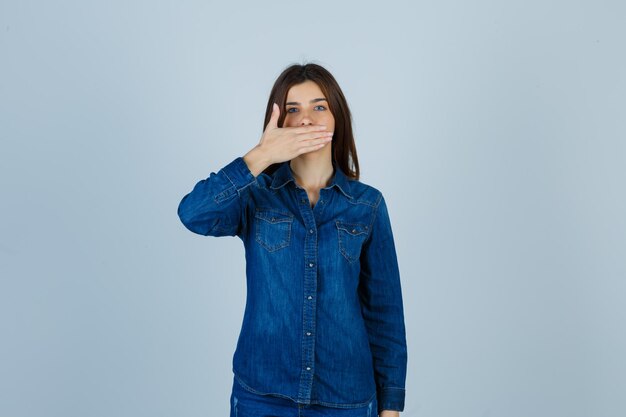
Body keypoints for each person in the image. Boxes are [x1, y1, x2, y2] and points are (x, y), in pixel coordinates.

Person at [177, 63, 407, 417]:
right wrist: (260, 155)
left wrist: (390, 407)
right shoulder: (256, 197)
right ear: (278, 122)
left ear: (336, 118)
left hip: (345, 400)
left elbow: (385, 313)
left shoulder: (368, 205)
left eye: (319, 107)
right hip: (262, 396)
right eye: (292, 110)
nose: (306, 119)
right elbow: (193, 214)